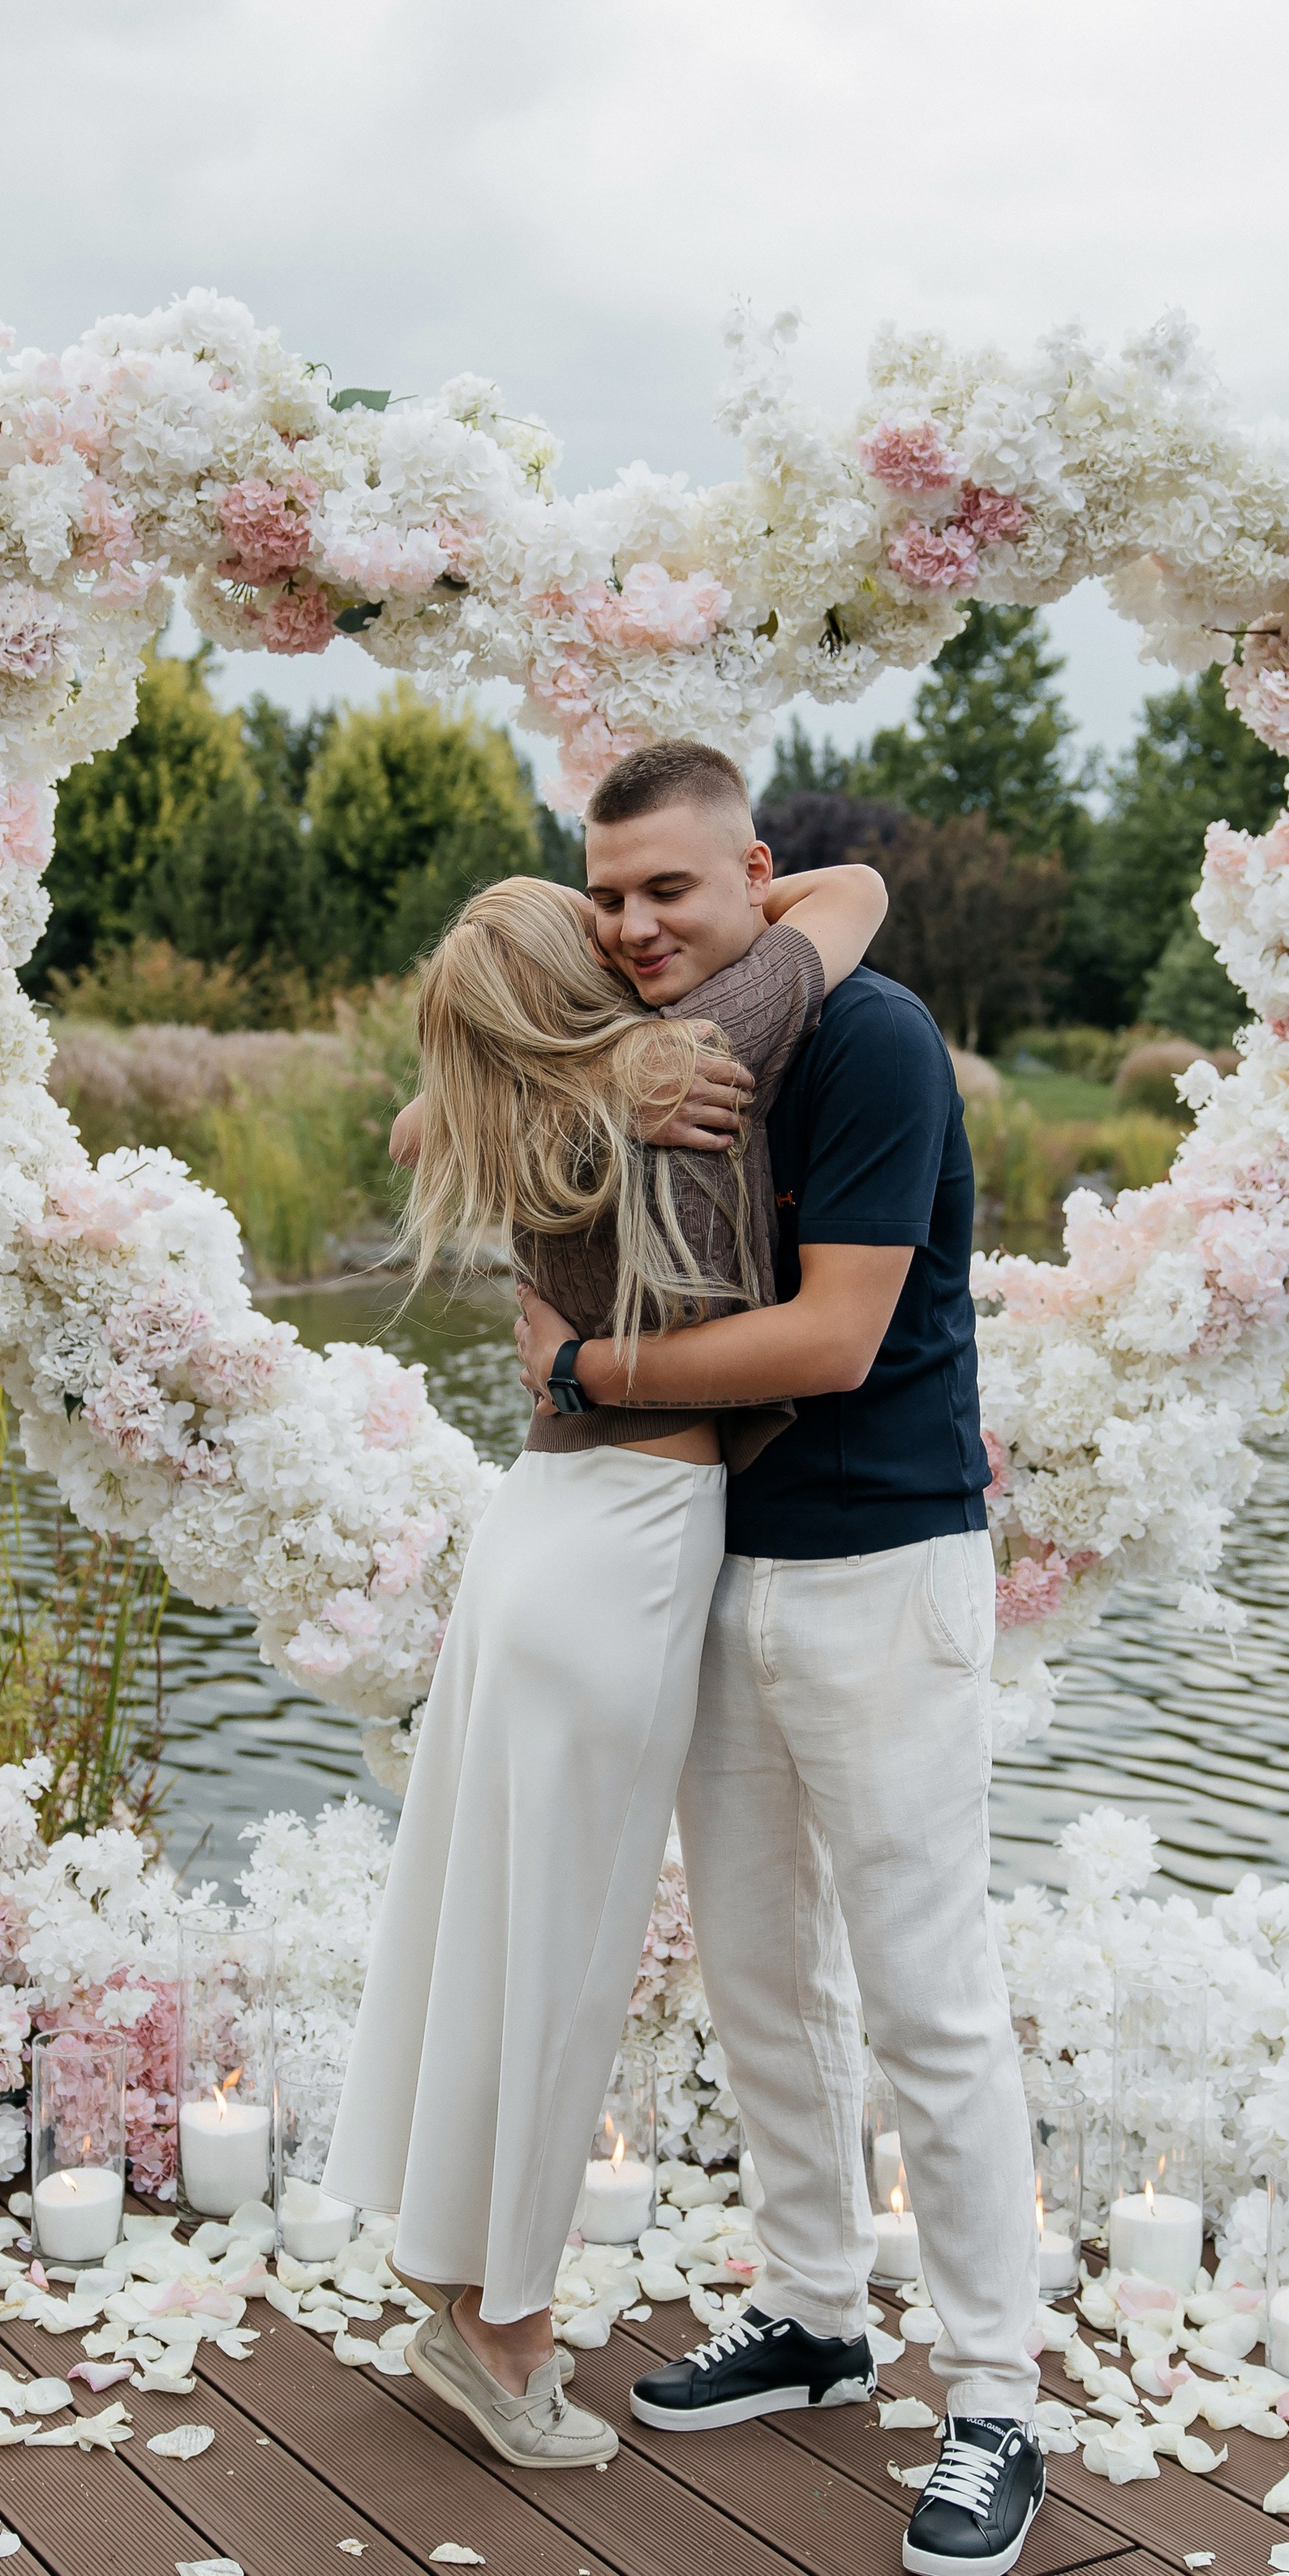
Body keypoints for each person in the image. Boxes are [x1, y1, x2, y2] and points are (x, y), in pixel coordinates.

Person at [513, 736, 1046, 2576]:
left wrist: (589, 1378)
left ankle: (992, 2397)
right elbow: (466, 1143)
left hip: (884, 1569)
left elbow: (829, 1337)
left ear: (754, 874)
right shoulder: (650, 1052)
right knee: (756, 1973)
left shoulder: (870, 1040)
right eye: (610, 894)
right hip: (722, 1568)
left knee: (924, 1992)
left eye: (671, 885)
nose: (639, 922)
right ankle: (817, 2314)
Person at [322, 836, 888, 2473]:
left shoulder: (507, 1108)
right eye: (603, 929)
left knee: (481, 1922)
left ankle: (451, 2276)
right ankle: (499, 2336)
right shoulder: (707, 1053)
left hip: (532, 1536)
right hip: (631, 1548)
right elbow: (850, 891)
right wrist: (698, 963)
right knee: (561, 1957)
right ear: (585, 977)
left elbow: (412, 1117)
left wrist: (561, 1057)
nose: (638, 939)